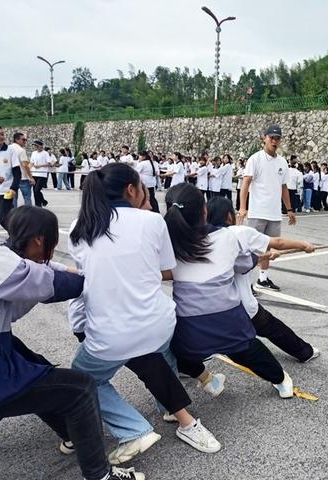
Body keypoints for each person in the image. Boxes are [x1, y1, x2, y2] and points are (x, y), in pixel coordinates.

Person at [0, 169, 143, 480]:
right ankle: (101, 474)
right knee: (79, 387)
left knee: (30, 362)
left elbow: (38, 269)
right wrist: (103, 273)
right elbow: (60, 285)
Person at [68, 164, 221, 460]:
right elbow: (166, 269)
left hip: (111, 334)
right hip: (159, 324)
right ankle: (171, 411)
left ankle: (134, 430)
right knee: (158, 351)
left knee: (84, 380)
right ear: (131, 189)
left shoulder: (79, 227)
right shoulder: (151, 222)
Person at [164, 183, 295, 398]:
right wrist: (261, 256)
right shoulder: (227, 237)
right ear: (204, 211)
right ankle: (280, 379)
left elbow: (163, 272)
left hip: (189, 322)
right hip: (227, 318)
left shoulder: (169, 244)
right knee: (247, 350)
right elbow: (243, 264)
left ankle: (208, 381)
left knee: (175, 352)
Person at [207, 196, 320, 362]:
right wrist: (304, 245)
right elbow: (278, 242)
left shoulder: (202, 237)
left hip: (212, 305)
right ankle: (304, 352)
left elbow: (238, 262)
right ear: (229, 216)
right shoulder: (239, 232)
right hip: (241, 304)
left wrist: (262, 257)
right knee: (273, 328)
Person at [238, 124, 296, 291]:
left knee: (269, 248)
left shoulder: (282, 162)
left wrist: (289, 209)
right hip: (257, 211)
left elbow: (284, 187)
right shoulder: (255, 159)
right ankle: (245, 283)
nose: (274, 141)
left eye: (277, 138)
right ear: (264, 138)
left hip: (274, 213)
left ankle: (262, 279)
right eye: (271, 137)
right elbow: (246, 183)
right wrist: (243, 207)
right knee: (252, 248)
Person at [10, 132, 34, 207]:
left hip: (11, 178)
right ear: (17, 140)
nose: (25, 141)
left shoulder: (8, 149)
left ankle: (13, 215)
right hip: (23, 178)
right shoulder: (21, 150)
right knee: (27, 198)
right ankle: (28, 215)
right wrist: (31, 177)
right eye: (23, 140)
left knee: (13, 199)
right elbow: (25, 165)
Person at [30, 140, 50, 207]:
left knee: (37, 190)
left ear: (40, 146)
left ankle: (43, 201)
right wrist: (27, 170)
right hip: (34, 174)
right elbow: (31, 163)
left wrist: (39, 166)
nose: (35, 147)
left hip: (42, 174)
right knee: (34, 191)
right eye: (34, 145)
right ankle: (37, 205)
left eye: (36, 145)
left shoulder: (45, 153)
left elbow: (49, 163)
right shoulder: (33, 153)